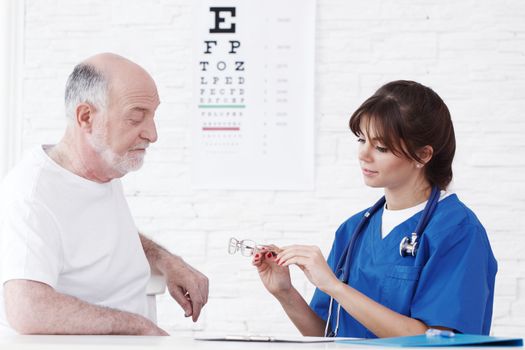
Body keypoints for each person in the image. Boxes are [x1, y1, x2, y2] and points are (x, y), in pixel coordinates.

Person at [252, 80, 497, 338]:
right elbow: (327, 336)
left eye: (381, 147)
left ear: (423, 155)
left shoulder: (458, 231)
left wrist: (335, 287)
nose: (364, 154)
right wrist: (285, 293)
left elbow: (435, 341)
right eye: (361, 140)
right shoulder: (353, 230)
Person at [0, 53, 209, 335]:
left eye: (152, 116)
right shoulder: (33, 193)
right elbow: (28, 310)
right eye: (136, 117)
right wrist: (139, 328)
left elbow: (97, 234)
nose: (152, 133)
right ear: (86, 117)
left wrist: (165, 259)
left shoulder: (101, 166)